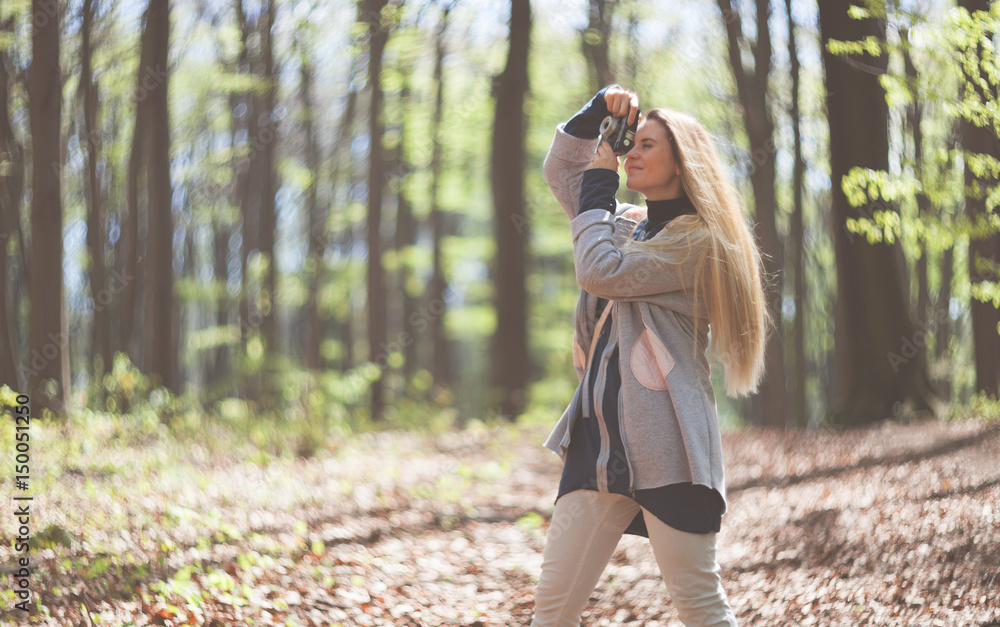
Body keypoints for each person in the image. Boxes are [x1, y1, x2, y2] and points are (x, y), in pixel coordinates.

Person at [531, 85, 771, 627]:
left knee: (698, 603)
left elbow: (600, 271)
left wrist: (599, 182)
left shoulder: (696, 243)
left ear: (684, 165)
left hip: (670, 444)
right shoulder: (629, 226)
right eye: (630, 143)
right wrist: (596, 114)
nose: (630, 153)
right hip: (598, 443)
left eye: (647, 145)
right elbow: (563, 174)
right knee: (552, 609)